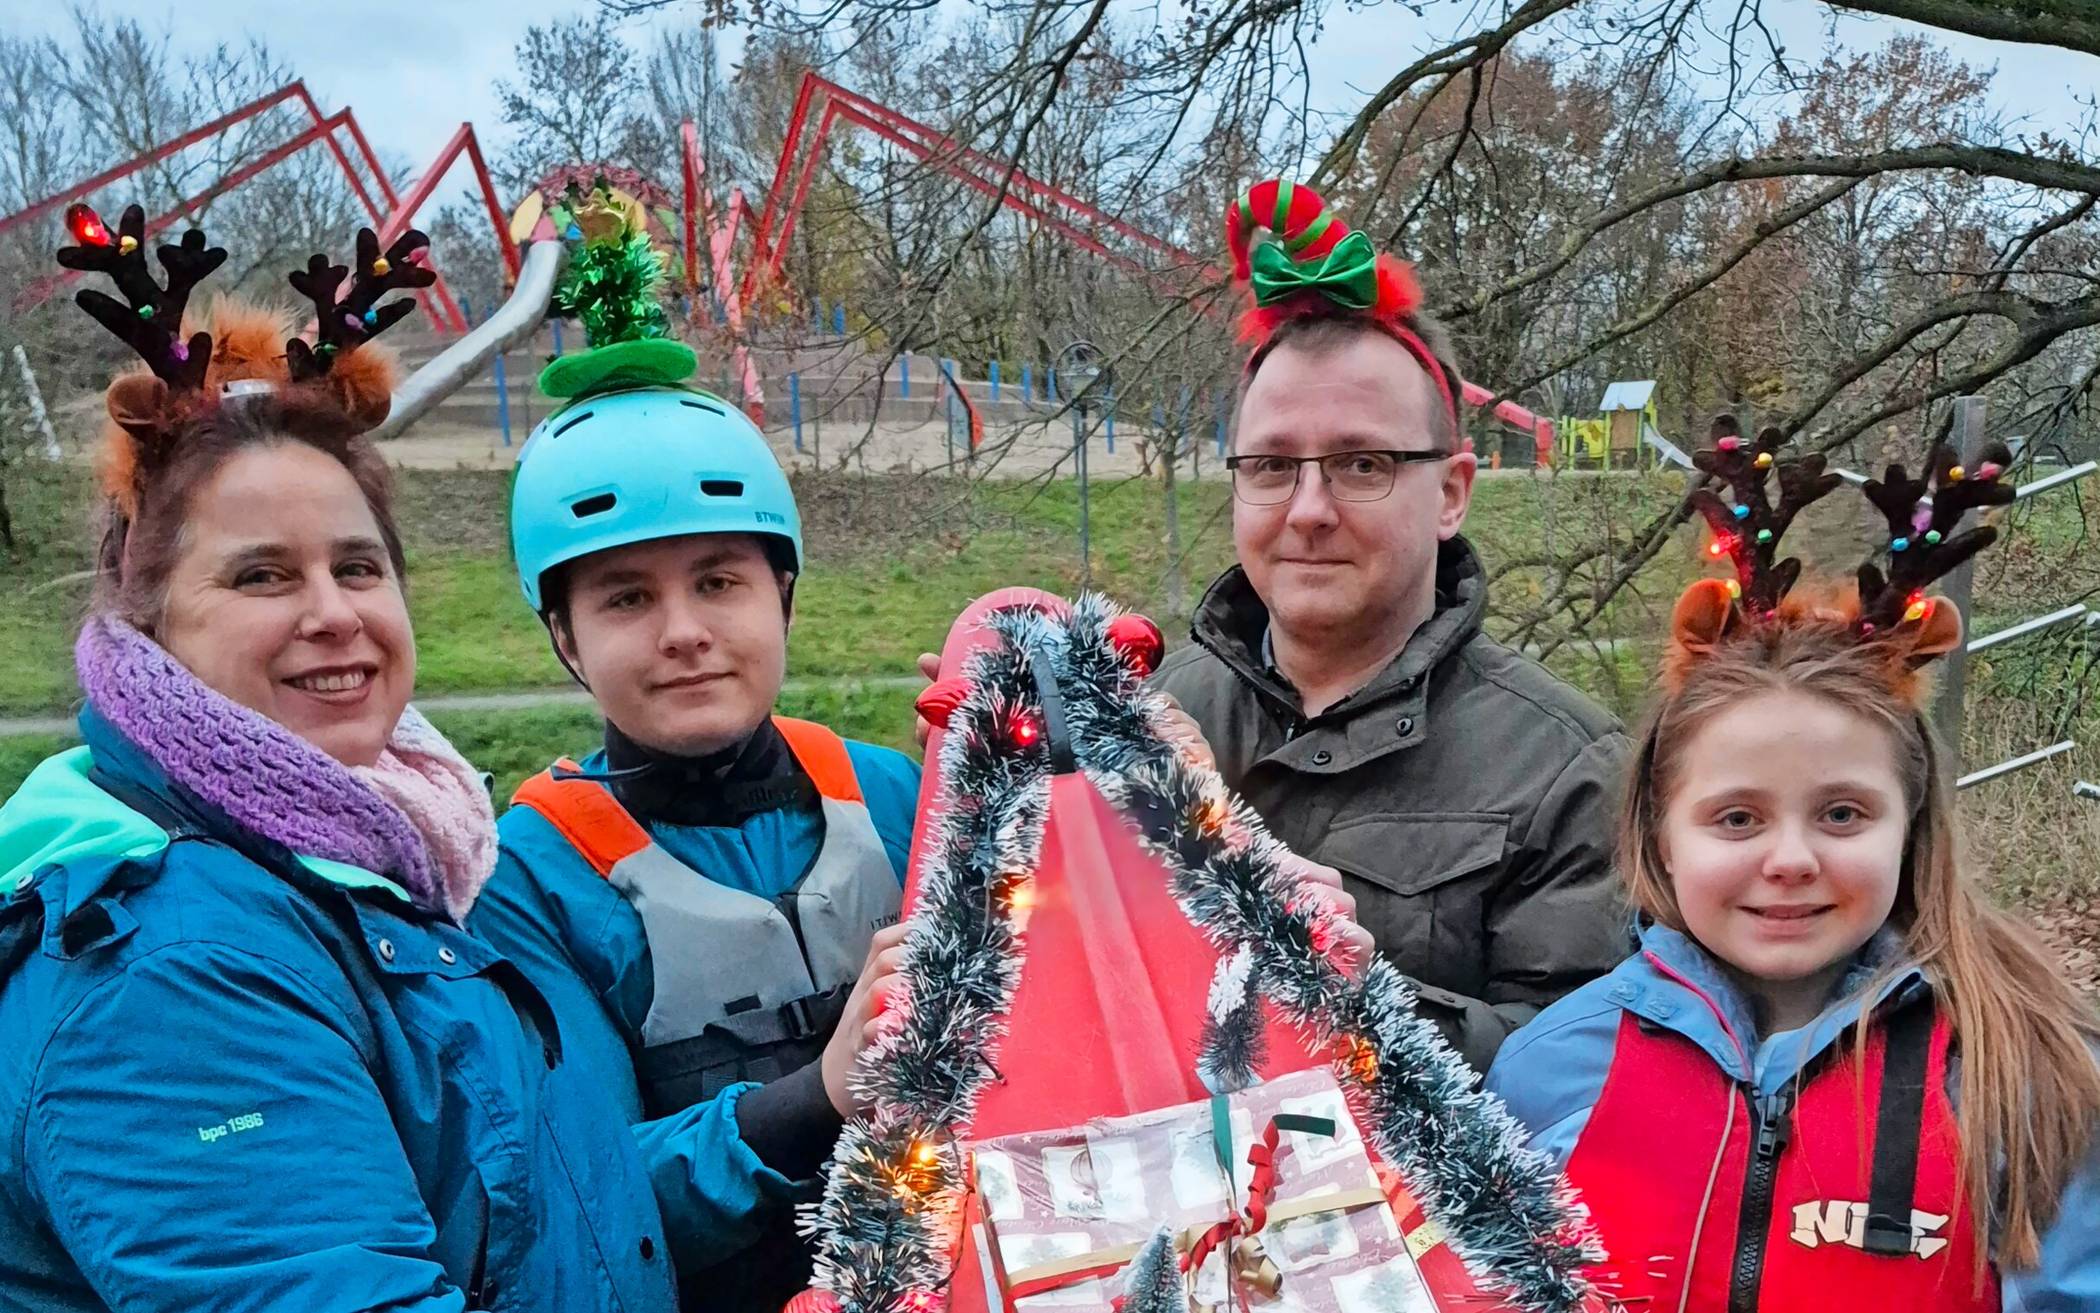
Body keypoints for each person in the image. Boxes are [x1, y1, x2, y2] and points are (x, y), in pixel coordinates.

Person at [0, 210, 676, 1311]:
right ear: (148, 617)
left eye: (357, 566)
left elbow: (541, 1208)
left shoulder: (376, 853)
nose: (333, 614)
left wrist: (790, 1115)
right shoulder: (173, 972)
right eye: (262, 576)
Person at [1486, 425, 2100, 1311]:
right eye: (1737, 818)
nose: (1790, 859)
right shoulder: (1553, 1070)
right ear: (1662, 833)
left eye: (1842, 814)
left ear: (1910, 824)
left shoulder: (2027, 1077)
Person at [466, 189, 914, 1313]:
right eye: (626, 596)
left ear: (784, 593)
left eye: (720, 579)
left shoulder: (894, 790)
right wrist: (815, 1094)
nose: (684, 631)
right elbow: (576, 1199)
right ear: (564, 636)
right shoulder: (525, 880)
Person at [1154, 180, 1628, 1069]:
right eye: (1269, 465)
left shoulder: (1565, 768)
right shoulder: (1155, 714)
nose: (1307, 509)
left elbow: (1586, 1076)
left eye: (1360, 463)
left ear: (1451, 492)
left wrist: (1361, 1005)